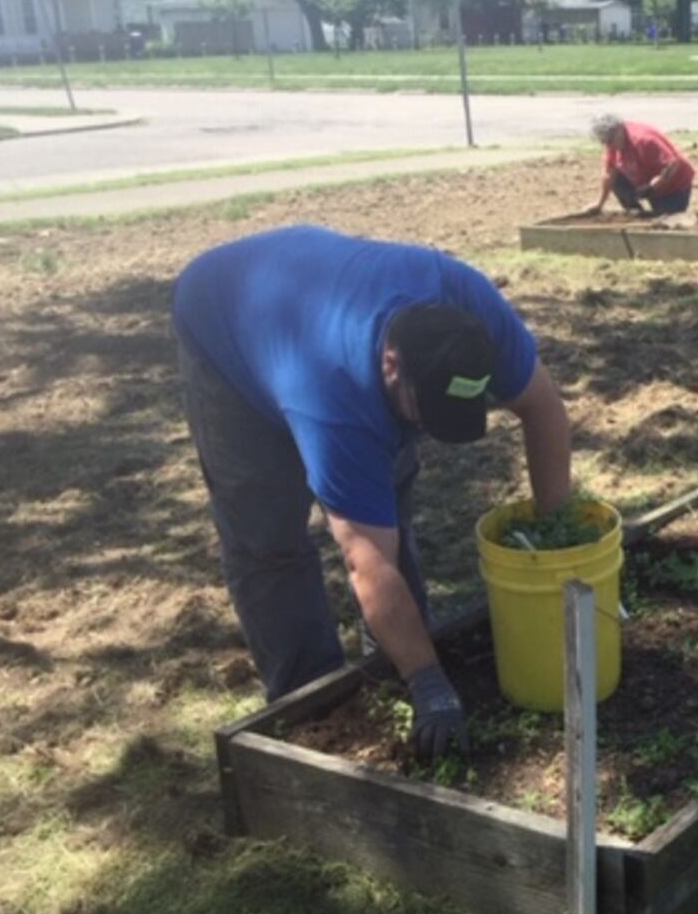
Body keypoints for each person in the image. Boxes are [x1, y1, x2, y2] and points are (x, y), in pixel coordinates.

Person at [171, 225, 572, 762]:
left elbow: (544, 410)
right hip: (224, 318)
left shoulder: (468, 306)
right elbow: (365, 562)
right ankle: (309, 703)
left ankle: (389, 658)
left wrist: (556, 536)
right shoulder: (336, 405)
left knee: (389, 502)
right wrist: (431, 686)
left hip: (309, 302)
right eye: (423, 412)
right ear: (392, 367)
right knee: (268, 538)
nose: (428, 430)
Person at [585, 114, 696, 216]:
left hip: (673, 186)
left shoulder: (643, 141)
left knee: (664, 221)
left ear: (618, 130)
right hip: (644, 177)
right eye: (605, 143)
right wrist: (600, 204)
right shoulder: (613, 144)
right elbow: (610, 173)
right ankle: (634, 211)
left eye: (610, 141)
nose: (609, 146)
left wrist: (652, 187)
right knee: (617, 180)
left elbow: (673, 164)